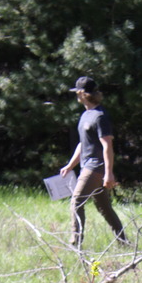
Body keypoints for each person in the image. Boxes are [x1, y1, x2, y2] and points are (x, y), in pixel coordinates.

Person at [60, 76, 127, 248]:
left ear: (82, 94)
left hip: (95, 168)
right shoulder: (85, 115)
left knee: (76, 201)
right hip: (87, 166)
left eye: (77, 92)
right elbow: (83, 145)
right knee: (105, 208)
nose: (76, 95)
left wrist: (108, 173)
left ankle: (76, 243)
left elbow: (107, 146)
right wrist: (70, 166)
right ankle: (124, 242)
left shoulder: (100, 117)